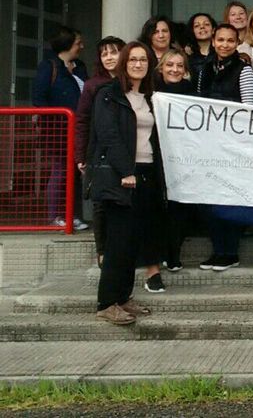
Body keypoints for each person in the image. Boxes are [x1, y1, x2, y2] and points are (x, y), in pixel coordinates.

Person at [90, 42, 163, 324]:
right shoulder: (108, 94)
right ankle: (106, 302)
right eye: (133, 59)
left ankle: (123, 298)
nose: (138, 64)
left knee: (133, 242)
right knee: (118, 242)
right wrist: (125, 170)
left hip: (146, 173)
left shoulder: (148, 96)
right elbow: (108, 135)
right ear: (123, 62)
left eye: (143, 60)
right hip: (121, 177)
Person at [196, 24, 253, 271]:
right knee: (210, 199)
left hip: (234, 146)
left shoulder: (244, 71)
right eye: (220, 40)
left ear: (236, 43)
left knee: (230, 198)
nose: (224, 44)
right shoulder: (204, 70)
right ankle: (217, 250)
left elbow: (249, 109)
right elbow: (197, 105)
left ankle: (229, 252)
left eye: (230, 40)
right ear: (213, 41)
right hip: (209, 144)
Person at [33, 25, 90, 231]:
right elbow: (38, 98)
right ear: (66, 45)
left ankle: (72, 214)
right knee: (60, 169)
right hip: (58, 130)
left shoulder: (80, 66)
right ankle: (56, 215)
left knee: (76, 170)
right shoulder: (49, 66)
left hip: (79, 129)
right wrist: (59, 117)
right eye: (77, 43)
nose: (82, 46)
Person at [76, 36, 125, 264]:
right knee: (100, 204)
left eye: (113, 52)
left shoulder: (134, 81)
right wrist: (80, 156)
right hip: (98, 153)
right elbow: (82, 121)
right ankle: (102, 252)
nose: (109, 57)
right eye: (104, 53)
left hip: (127, 151)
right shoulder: (92, 85)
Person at [154, 50, 195, 272]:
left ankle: (174, 254)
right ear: (161, 67)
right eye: (170, 65)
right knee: (158, 206)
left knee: (179, 206)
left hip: (183, 157)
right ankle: (159, 252)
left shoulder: (191, 93)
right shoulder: (151, 92)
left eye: (180, 66)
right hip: (155, 155)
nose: (175, 69)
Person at [187, 13, 216, 85]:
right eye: (197, 26)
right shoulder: (187, 56)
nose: (202, 27)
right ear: (192, 31)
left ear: (213, 30)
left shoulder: (222, 53)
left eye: (206, 24)